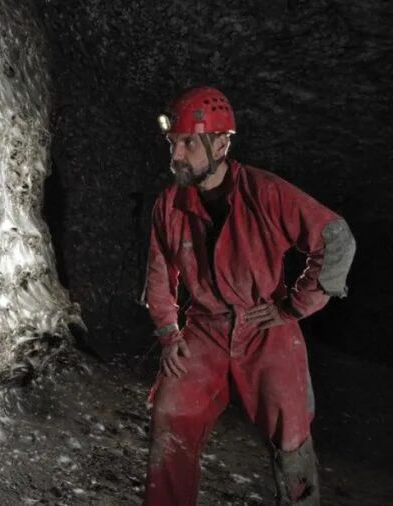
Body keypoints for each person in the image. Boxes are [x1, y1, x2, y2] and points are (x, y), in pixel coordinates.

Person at [141, 86, 356, 505]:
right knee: (171, 412)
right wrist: (169, 333)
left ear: (221, 144)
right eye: (173, 143)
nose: (176, 156)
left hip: (264, 326)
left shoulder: (264, 191)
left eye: (188, 143)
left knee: (291, 434)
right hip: (203, 328)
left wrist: (295, 305)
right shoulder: (170, 204)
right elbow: (158, 273)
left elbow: (335, 238)